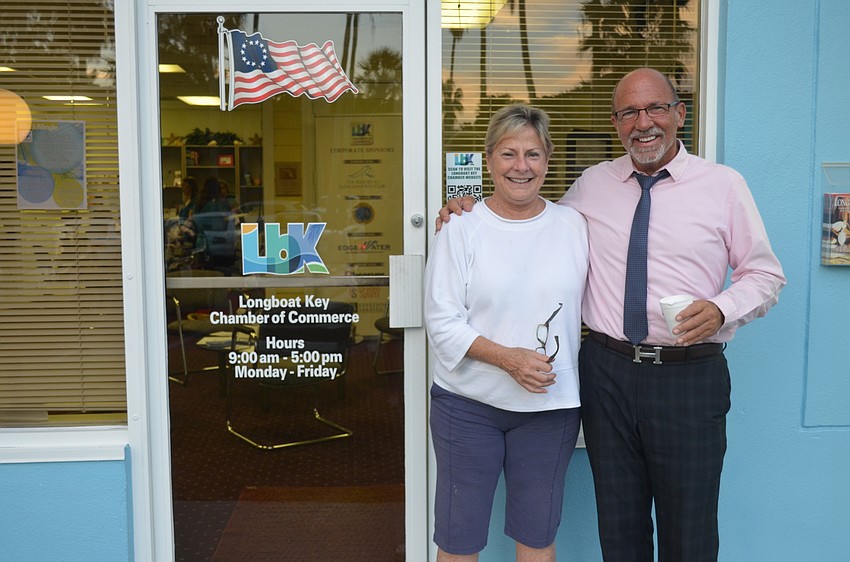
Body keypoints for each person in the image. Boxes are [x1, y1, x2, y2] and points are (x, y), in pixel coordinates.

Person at [436, 68, 786, 562]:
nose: (643, 123)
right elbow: (530, 225)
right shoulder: (593, 185)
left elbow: (765, 275)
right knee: (619, 529)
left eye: (656, 108)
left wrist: (722, 308)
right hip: (607, 374)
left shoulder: (723, 186)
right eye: (629, 113)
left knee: (690, 532)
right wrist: (469, 210)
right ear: (616, 123)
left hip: (689, 375)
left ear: (679, 114)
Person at [425, 104, 588, 562]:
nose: (522, 166)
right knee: (458, 538)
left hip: (548, 408)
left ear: (548, 160)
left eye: (533, 154)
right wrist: (508, 358)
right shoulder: (460, 228)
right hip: (467, 406)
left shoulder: (574, 226)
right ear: (489, 159)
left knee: (537, 537)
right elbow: (441, 319)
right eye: (508, 153)